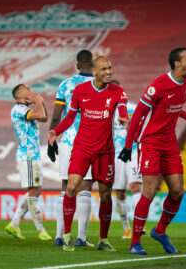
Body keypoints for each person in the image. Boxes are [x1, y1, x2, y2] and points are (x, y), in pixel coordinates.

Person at [48, 55, 129, 252]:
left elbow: (123, 109)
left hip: (105, 151)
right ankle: (67, 235)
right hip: (82, 148)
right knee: (72, 187)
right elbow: (69, 116)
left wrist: (124, 118)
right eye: (103, 69)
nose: (108, 72)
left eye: (109, 68)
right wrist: (55, 132)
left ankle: (103, 239)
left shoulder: (118, 91)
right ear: (94, 71)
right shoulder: (80, 90)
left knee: (106, 194)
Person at [118, 47, 186, 255]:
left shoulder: (185, 83)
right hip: (150, 142)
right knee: (149, 191)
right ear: (177, 64)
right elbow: (138, 115)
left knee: (177, 191)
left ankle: (159, 231)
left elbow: (172, 107)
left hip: (169, 143)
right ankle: (135, 242)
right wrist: (128, 146)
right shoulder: (158, 86)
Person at [47, 50, 95, 247]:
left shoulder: (65, 85)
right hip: (90, 141)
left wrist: (52, 138)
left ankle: (59, 235)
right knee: (85, 186)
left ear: (77, 65)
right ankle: (81, 237)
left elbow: (57, 117)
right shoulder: (99, 84)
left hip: (68, 140)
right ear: (93, 64)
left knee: (66, 186)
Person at [5, 84, 52, 241]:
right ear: (19, 96)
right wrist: (38, 101)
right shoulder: (19, 109)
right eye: (27, 91)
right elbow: (40, 114)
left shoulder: (25, 109)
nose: (31, 92)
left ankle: (14, 223)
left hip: (33, 155)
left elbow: (44, 117)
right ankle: (40, 230)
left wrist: (41, 102)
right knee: (34, 191)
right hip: (28, 155)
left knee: (36, 190)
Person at [111, 79, 143, 239]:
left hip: (133, 152)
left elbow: (143, 127)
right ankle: (127, 228)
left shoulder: (134, 108)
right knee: (120, 193)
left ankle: (138, 224)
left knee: (136, 186)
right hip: (115, 155)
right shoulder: (107, 111)